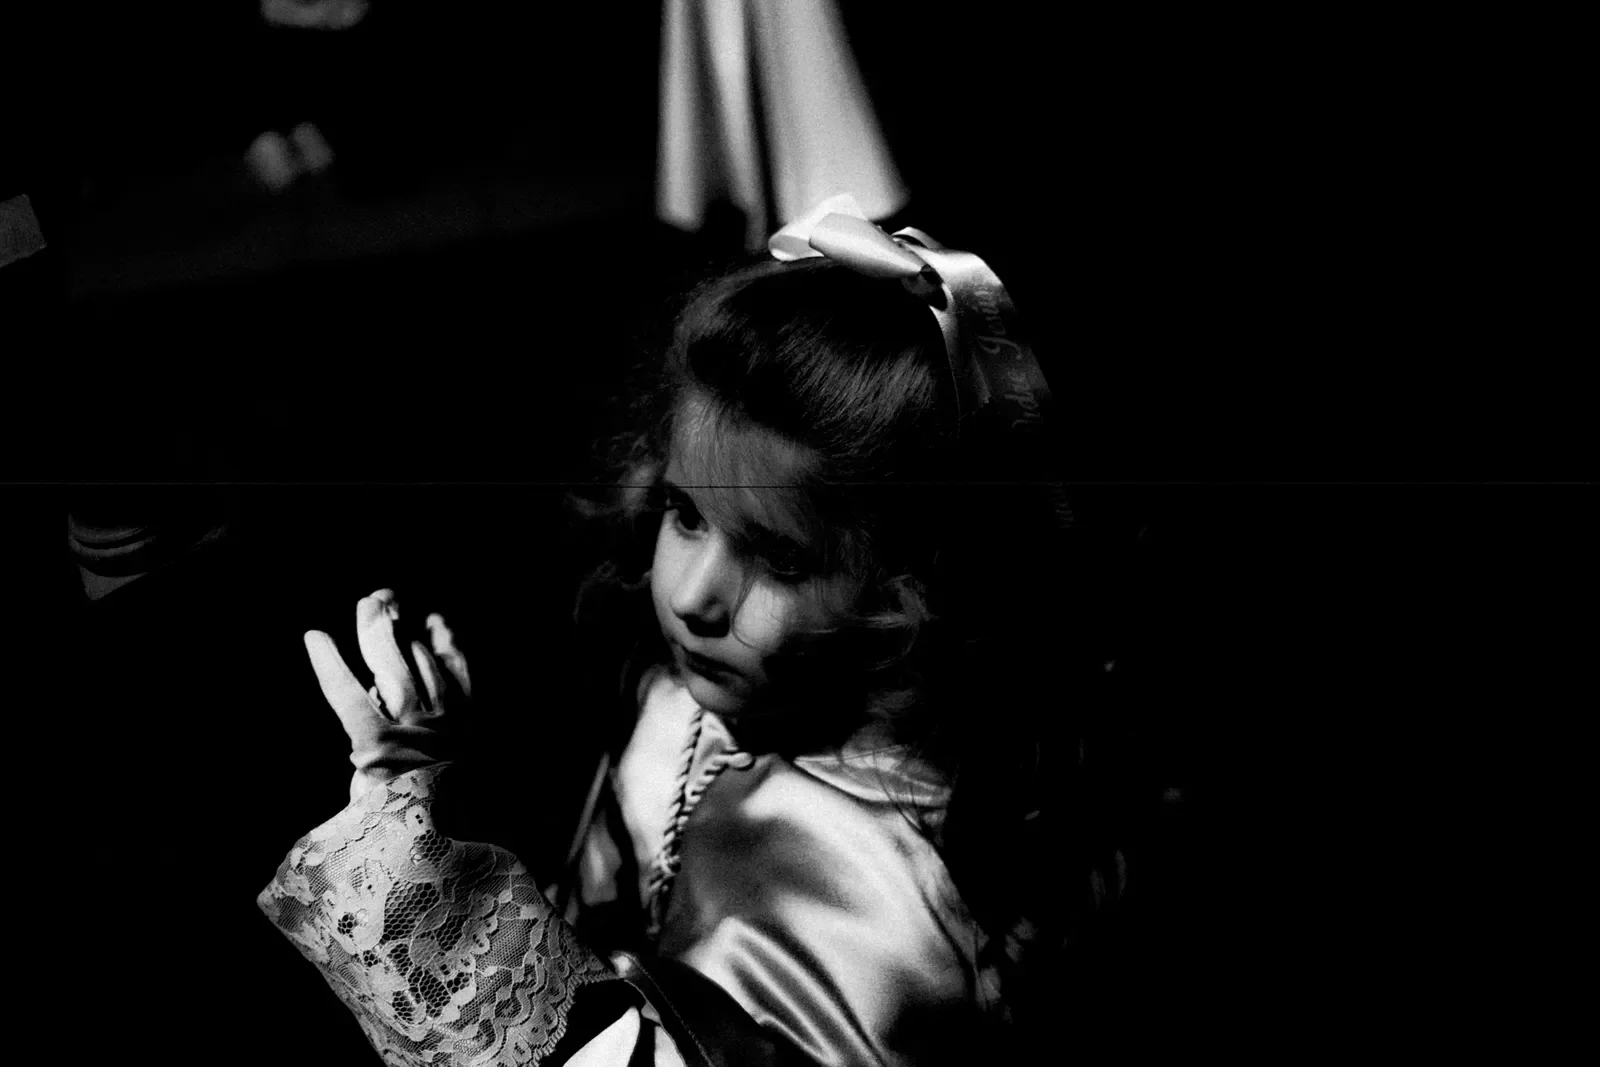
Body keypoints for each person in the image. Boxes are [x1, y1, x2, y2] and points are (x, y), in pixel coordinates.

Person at [258, 195, 1125, 1064]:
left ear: (917, 594)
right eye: (685, 512)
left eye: (780, 560)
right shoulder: (682, 698)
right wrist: (451, 797)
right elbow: (587, 945)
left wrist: (421, 887)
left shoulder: (901, 913)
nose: (693, 596)